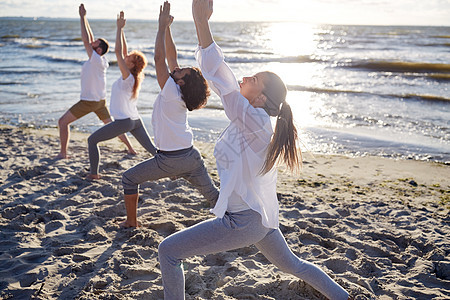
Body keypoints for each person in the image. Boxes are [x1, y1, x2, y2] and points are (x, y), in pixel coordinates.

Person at [157, 1, 351, 299]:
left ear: (260, 98)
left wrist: (201, 20)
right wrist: (201, 23)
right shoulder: (252, 118)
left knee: (168, 251)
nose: (245, 77)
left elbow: (218, 73)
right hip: (260, 219)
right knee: (294, 265)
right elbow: (223, 79)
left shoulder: (255, 119)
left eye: (254, 79)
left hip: (243, 221)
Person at [120, 1, 219, 228]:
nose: (175, 68)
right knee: (213, 196)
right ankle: (241, 216)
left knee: (128, 178)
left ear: (181, 81)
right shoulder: (180, 92)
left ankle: (131, 222)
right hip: (192, 158)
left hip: (169, 160)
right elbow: (171, 57)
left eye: (179, 71)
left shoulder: (171, 92)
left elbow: (159, 59)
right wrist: (168, 29)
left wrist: (161, 27)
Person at [56, 3, 136, 159]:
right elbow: (90, 39)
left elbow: (86, 41)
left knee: (62, 122)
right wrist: (85, 17)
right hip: (100, 101)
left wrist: (81, 17)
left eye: (95, 44)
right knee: (113, 126)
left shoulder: (96, 60)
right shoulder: (100, 59)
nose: (91, 43)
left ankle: (63, 154)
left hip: (89, 101)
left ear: (98, 50)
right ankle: (131, 148)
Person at [86, 11, 157, 180]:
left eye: (130, 58)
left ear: (132, 64)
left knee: (92, 140)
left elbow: (118, 52)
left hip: (124, 121)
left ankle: (94, 174)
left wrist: (118, 29)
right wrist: (122, 30)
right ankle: (174, 169)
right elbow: (123, 51)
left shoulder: (128, 77)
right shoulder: (134, 77)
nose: (126, 57)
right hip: (135, 120)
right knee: (153, 150)